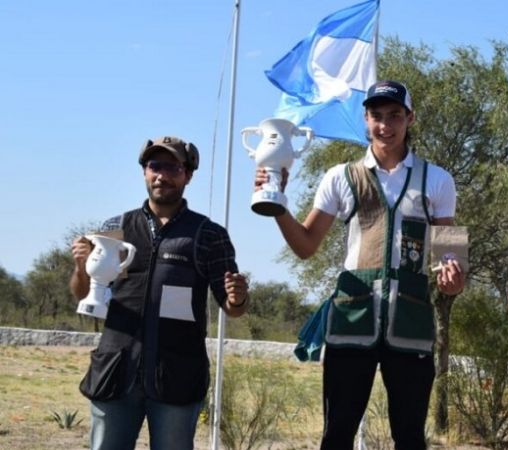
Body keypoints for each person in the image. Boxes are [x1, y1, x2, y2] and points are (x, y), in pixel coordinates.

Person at [255, 80, 465, 449]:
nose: (385, 125)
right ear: (365, 119)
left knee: (411, 438)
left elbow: (451, 261)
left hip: (410, 322)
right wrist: (277, 203)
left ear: (410, 118)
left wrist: (452, 278)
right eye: (377, 116)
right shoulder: (340, 176)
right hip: (352, 319)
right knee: (337, 434)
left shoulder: (438, 179)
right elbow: (306, 245)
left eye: (394, 115)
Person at [69, 136, 250, 450]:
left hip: (177, 376)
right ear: (144, 171)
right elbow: (83, 293)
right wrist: (81, 267)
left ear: (188, 175)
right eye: (155, 166)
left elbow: (232, 307)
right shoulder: (116, 227)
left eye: (172, 168)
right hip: (116, 371)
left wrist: (239, 297)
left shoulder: (209, 234)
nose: (161, 175)